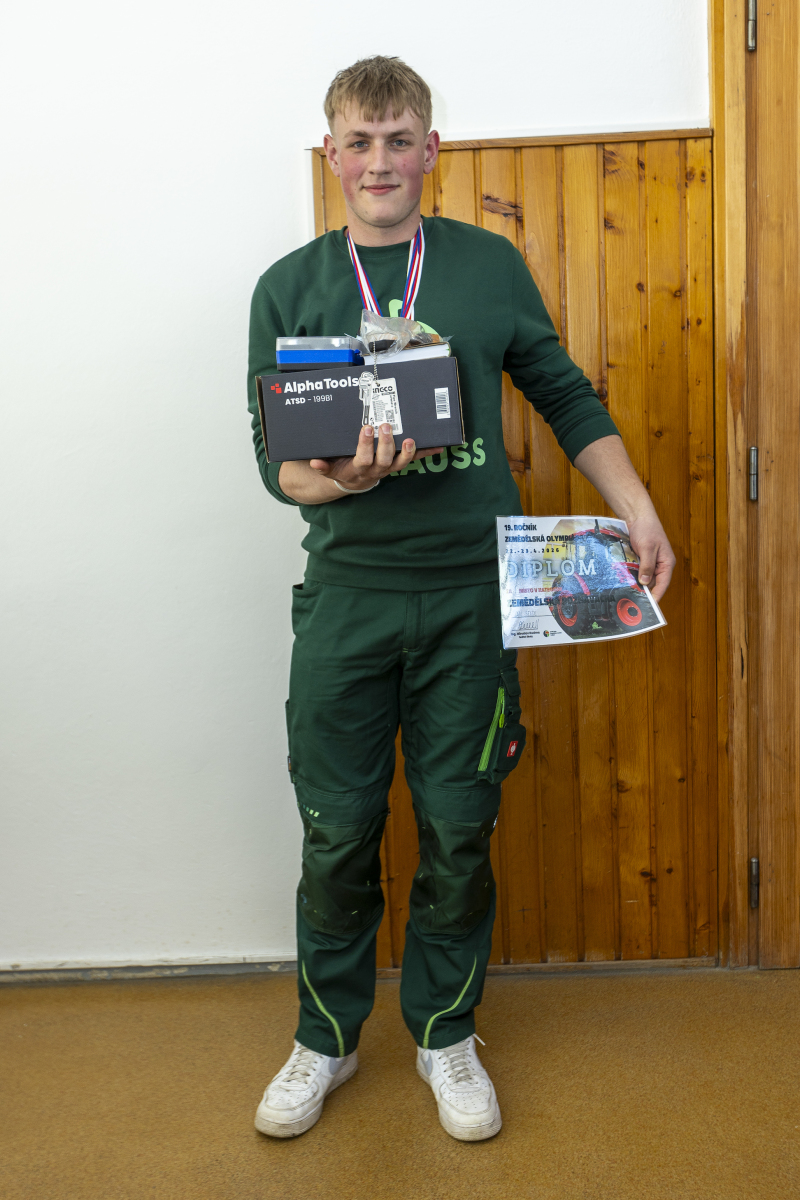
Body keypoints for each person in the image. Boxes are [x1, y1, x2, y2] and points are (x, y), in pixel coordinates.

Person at [246, 55, 675, 1142]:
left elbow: (562, 393)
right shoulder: (288, 287)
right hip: (346, 601)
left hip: (471, 603)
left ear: (430, 149)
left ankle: (444, 1033)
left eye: (399, 140)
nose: (379, 161)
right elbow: (277, 466)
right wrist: (342, 481)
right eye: (359, 141)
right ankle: (326, 1039)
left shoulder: (487, 265)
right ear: (331, 154)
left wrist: (637, 507)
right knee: (336, 833)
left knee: (457, 828)